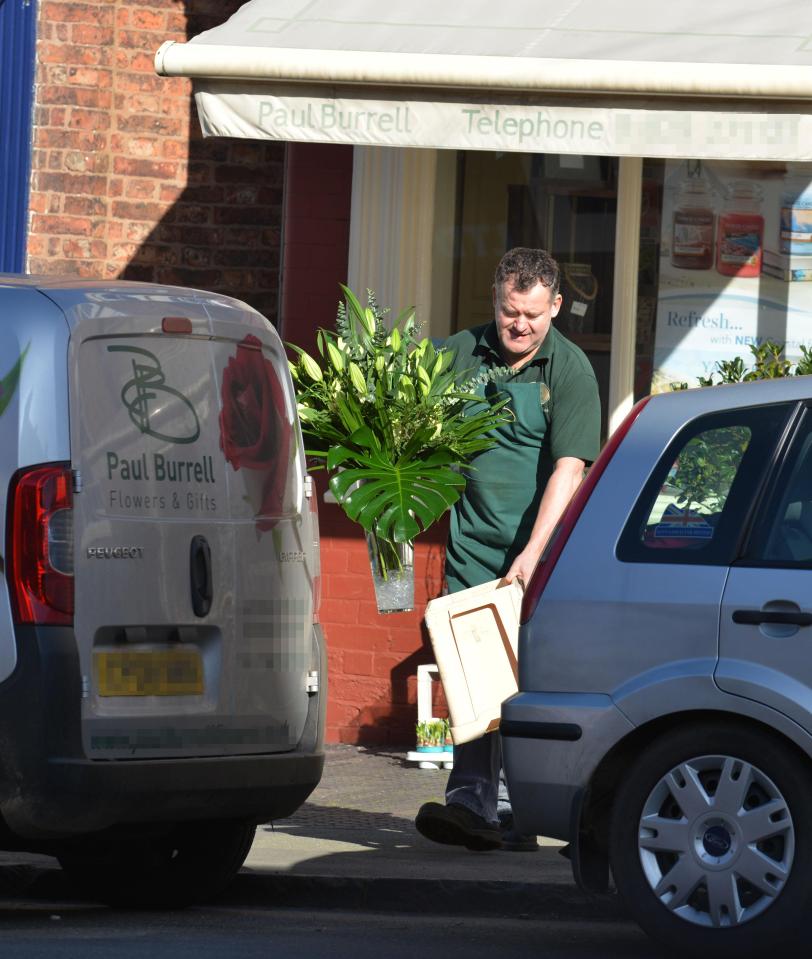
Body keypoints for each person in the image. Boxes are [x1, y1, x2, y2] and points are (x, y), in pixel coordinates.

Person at [415, 247, 601, 852]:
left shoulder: (569, 369)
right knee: (473, 679)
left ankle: (540, 810)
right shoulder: (457, 354)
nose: (519, 326)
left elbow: (569, 470)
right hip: (472, 547)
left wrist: (533, 553)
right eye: (507, 312)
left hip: (542, 556)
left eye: (531, 315)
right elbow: (400, 415)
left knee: (531, 684)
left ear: (556, 306)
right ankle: (471, 803)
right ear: (494, 302)